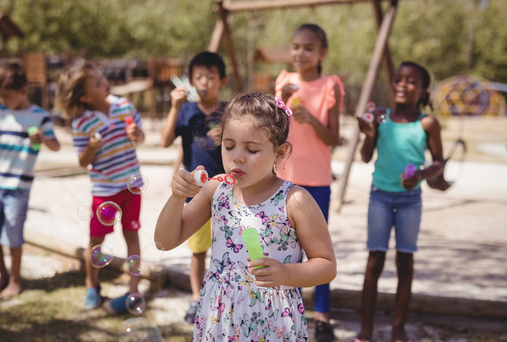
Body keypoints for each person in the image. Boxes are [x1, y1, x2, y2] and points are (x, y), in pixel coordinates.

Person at [155, 92, 337, 341]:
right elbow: (164, 241)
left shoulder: (294, 200)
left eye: (251, 149)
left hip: (273, 321)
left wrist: (287, 274)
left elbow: (326, 265)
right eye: (229, 146)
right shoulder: (215, 190)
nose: (237, 157)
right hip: (219, 317)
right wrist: (177, 197)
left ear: (280, 153)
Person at [355, 61, 445, 342]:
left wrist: (420, 174)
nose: (402, 85)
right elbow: (366, 156)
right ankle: (366, 330)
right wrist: (369, 136)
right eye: (398, 79)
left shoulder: (428, 123)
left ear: (422, 91)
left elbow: (439, 162)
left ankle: (397, 329)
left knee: (405, 262)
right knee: (374, 261)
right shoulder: (380, 118)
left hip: (410, 200)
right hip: (379, 196)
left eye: (411, 81)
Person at [57, 60, 145, 313]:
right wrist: (92, 148)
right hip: (104, 191)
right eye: (97, 83)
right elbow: (82, 161)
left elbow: (141, 137)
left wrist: (137, 134)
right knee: (96, 242)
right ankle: (91, 287)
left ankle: (133, 291)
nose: (104, 82)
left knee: (132, 236)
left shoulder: (124, 106)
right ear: (84, 96)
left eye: (101, 77)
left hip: (132, 186)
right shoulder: (81, 123)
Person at [275, 23, 344, 342]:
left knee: (319, 253)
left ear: (322, 53)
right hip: (282, 181)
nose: (300, 53)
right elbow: (271, 129)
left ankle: (322, 317)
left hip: (317, 182)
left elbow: (335, 137)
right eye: (296, 47)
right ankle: (286, 314)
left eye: (308, 48)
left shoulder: (331, 85)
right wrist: (282, 101)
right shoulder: (283, 82)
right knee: (286, 252)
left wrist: (314, 122)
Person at [0, 63, 61, 299]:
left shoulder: (40, 116)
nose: (2, 100)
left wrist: (42, 139)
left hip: (19, 187)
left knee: (13, 235)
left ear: (23, 90)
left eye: (6, 96)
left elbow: (55, 145)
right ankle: (3, 275)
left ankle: (16, 280)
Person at [159, 51, 228, 323]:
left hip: (226, 192)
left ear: (222, 80)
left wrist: (228, 134)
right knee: (198, 250)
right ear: (190, 81)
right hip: (196, 194)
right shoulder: (186, 111)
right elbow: (165, 141)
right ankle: (196, 298)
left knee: (226, 247)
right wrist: (174, 107)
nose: (204, 82)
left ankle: (222, 298)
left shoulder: (229, 111)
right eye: (198, 76)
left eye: (210, 77)